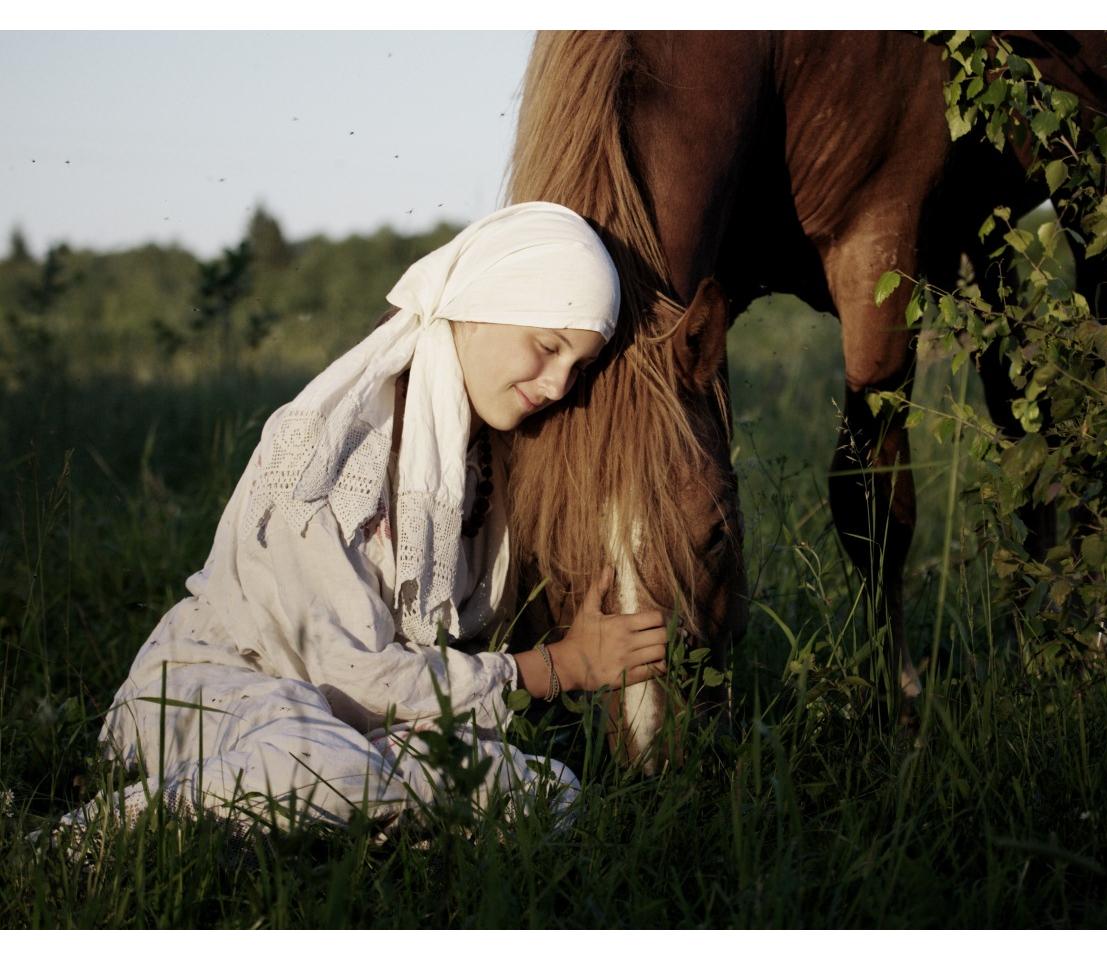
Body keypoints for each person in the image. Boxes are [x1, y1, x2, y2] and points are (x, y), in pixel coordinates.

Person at [52, 201, 670, 841]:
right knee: (325, 766)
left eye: (580, 365)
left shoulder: (484, 461)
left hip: (367, 729)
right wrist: (557, 667)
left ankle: (338, 833)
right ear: (478, 304)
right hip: (228, 689)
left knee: (545, 795)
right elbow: (352, 675)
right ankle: (78, 840)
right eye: (547, 346)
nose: (559, 383)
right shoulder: (327, 450)